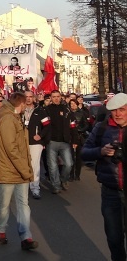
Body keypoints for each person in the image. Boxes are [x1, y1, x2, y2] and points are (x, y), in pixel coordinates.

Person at [82, 92, 127, 261]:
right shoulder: (102, 127)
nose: (118, 114)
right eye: (114, 110)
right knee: (114, 239)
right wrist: (100, 151)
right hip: (110, 192)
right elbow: (84, 152)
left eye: (122, 109)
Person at [0, 93, 38, 250]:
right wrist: (26, 170)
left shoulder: (16, 118)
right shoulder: (8, 120)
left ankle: (26, 236)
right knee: (4, 203)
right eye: (25, 103)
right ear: (20, 104)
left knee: (23, 204)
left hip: (19, 169)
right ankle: (1, 230)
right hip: (7, 170)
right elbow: (11, 149)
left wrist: (25, 168)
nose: (26, 106)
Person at [45, 90, 75, 194]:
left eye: (58, 96)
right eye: (54, 97)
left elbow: (73, 125)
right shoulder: (46, 109)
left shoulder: (66, 109)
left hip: (64, 141)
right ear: (51, 98)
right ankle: (56, 185)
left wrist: (74, 140)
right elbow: (43, 126)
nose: (56, 98)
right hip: (51, 142)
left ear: (60, 97)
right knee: (52, 166)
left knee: (69, 164)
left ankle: (64, 179)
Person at [23, 90, 50, 199]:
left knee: (34, 166)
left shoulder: (40, 111)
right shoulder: (19, 110)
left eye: (30, 96)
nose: (28, 98)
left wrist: (40, 135)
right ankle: (22, 189)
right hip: (22, 142)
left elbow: (47, 125)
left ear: (33, 98)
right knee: (23, 165)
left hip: (35, 142)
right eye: (26, 97)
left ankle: (35, 188)